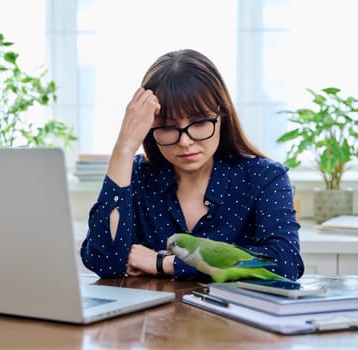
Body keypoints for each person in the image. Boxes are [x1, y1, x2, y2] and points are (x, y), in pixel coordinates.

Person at [80, 49, 304, 282]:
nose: (185, 142)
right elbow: (105, 262)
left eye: (199, 123)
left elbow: (285, 264)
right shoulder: (136, 176)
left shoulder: (264, 177)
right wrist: (124, 148)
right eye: (167, 127)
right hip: (152, 318)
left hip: (232, 319)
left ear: (221, 116)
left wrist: (164, 263)